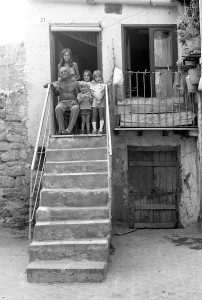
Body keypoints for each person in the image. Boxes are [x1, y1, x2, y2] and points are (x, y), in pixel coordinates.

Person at [52, 66, 79, 135]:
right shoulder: (58, 83)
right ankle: (61, 129)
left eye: (65, 71)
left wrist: (76, 101)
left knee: (76, 108)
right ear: (60, 74)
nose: (63, 73)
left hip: (72, 102)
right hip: (62, 103)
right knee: (57, 108)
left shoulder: (75, 83)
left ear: (69, 72)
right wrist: (53, 88)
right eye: (61, 72)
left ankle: (68, 130)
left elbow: (79, 94)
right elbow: (56, 94)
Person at [90, 70, 105, 134]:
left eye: (99, 77)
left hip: (101, 101)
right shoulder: (92, 84)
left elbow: (103, 93)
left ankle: (100, 129)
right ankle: (94, 129)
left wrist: (100, 99)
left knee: (101, 115)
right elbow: (92, 92)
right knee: (94, 115)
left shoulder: (103, 84)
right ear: (94, 78)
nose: (98, 78)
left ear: (101, 77)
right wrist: (97, 98)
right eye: (96, 77)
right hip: (95, 100)